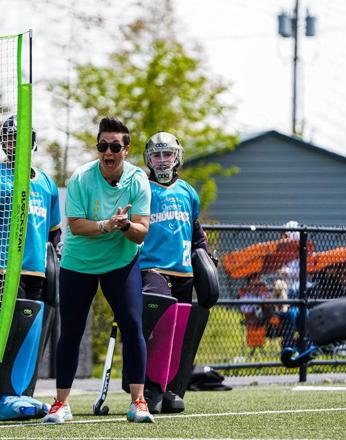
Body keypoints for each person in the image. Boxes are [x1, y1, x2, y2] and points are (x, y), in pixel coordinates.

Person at [42, 116, 153, 424]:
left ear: (126, 150)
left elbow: (141, 232)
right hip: (79, 264)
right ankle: (61, 404)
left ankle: (138, 402)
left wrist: (125, 225)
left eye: (115, 147)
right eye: (103, 146)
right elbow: (76, 226)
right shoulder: (81, 178)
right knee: (71, 331)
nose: (108, 152)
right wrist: (107, 225)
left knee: (133, 325)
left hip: (121, 262)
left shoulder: (138, 180)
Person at [0, 115, 61, 420]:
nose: (14, 143)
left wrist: (55, 259)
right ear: (3, 143)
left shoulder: (46, 183)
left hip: (37, 272)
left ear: (32, 143)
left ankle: (21, 394)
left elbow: (54, 232)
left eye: (19, 138)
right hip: (2, 271)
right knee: (6, 337)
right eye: (9, 138)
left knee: (32, 336)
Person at [138, 131, 215, 413]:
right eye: (156, 155)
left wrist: (207, 257)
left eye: (167, 154)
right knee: (160, 326)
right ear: (148, 159)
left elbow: (197, 234)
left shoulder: (188, 192)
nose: (162, 160)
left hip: (184, 272)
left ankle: (170, 387)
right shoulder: (142, 189)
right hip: (152, 269)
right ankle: (149, 386)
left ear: (177, 157)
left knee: (179, 332)